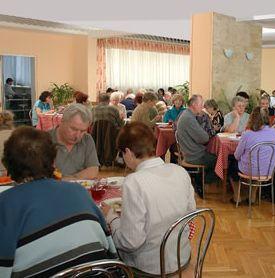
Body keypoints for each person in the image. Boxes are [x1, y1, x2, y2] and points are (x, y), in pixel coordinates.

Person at [0, 127, 117, 277]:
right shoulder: (79, 191)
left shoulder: (5, 205)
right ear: (53, 161)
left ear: (7, 164)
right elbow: (110, 251)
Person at [101, 122, 195, 275]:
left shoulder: (134, 182)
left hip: (149, 264)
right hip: (180, 254)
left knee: (105, 249)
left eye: (122, 154)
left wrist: (111, 217)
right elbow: (190, 213)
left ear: (128, 152)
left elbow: (130, 242)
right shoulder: (180, 171)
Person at [228, 107, 275, 204]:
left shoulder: (248, 134)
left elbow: (236, 156)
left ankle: (237, 197)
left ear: (252, 119)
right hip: (268, 170)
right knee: (258, 163)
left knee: (232, 166)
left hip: (251, 170)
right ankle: (252, 197)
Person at [176, 95, 217, 197]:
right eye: (201, 104)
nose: (202, 107)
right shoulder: (189, 118)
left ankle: (199, 179)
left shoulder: (187, 114)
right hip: (194, 155)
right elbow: (204, 138)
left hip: (189, 152)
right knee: (221, 161)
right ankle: (200, 182)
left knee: (216, 158)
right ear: (194, 105)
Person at [50, 103, 99, 179]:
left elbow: (93, 169)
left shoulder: (87, 139)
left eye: (83, 131)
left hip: (78, 187)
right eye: (74, 129)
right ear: (62, 121)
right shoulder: (43, 140)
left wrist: (71, 179)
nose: (77, 136)